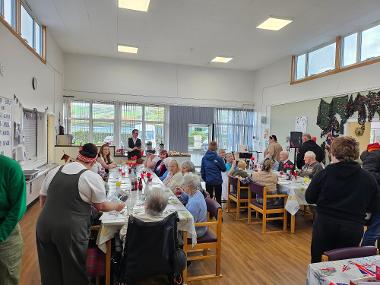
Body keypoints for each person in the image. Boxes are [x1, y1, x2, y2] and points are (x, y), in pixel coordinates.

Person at [36, 143, 125, 285]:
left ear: (78, 154)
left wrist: (52, 216)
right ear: (95, 160)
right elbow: (101, 205)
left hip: (44, 226)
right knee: (74, 271)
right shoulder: (90, 177)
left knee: (50, 270)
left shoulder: (55, 170)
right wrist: (119, 205)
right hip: (70, 230)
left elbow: (43, 198)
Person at [305, 136, 380, 263]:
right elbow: (374, 205)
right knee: (345, 264)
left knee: (319, 263)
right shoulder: (368, 178)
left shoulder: (324, 174)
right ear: (356, 154)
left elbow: (309, 197)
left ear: (333, 152)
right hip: (353, 226)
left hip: (325, 224)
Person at [0, 155, 26, 285]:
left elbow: (18, 208)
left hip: (6, 235)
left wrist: (1, 234)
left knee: (6, 279)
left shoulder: (9, 167)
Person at [361, 143, 380, 246]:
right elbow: (369, 175)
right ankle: (365, 255)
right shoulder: (376, 155)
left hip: (373, 199)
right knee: (374, 231)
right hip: (377, 200)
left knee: (374, 230)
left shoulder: (372, 156)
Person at [178, 174, 208, 238]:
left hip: (197, 230)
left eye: (183, 185)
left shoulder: (194, 203)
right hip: (196, 225)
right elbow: (188, 197)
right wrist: (182, 192)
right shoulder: (197, 192)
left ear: (189, 187)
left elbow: (190, 222)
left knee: (171, 229)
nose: (182, 187)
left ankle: (179, 246)